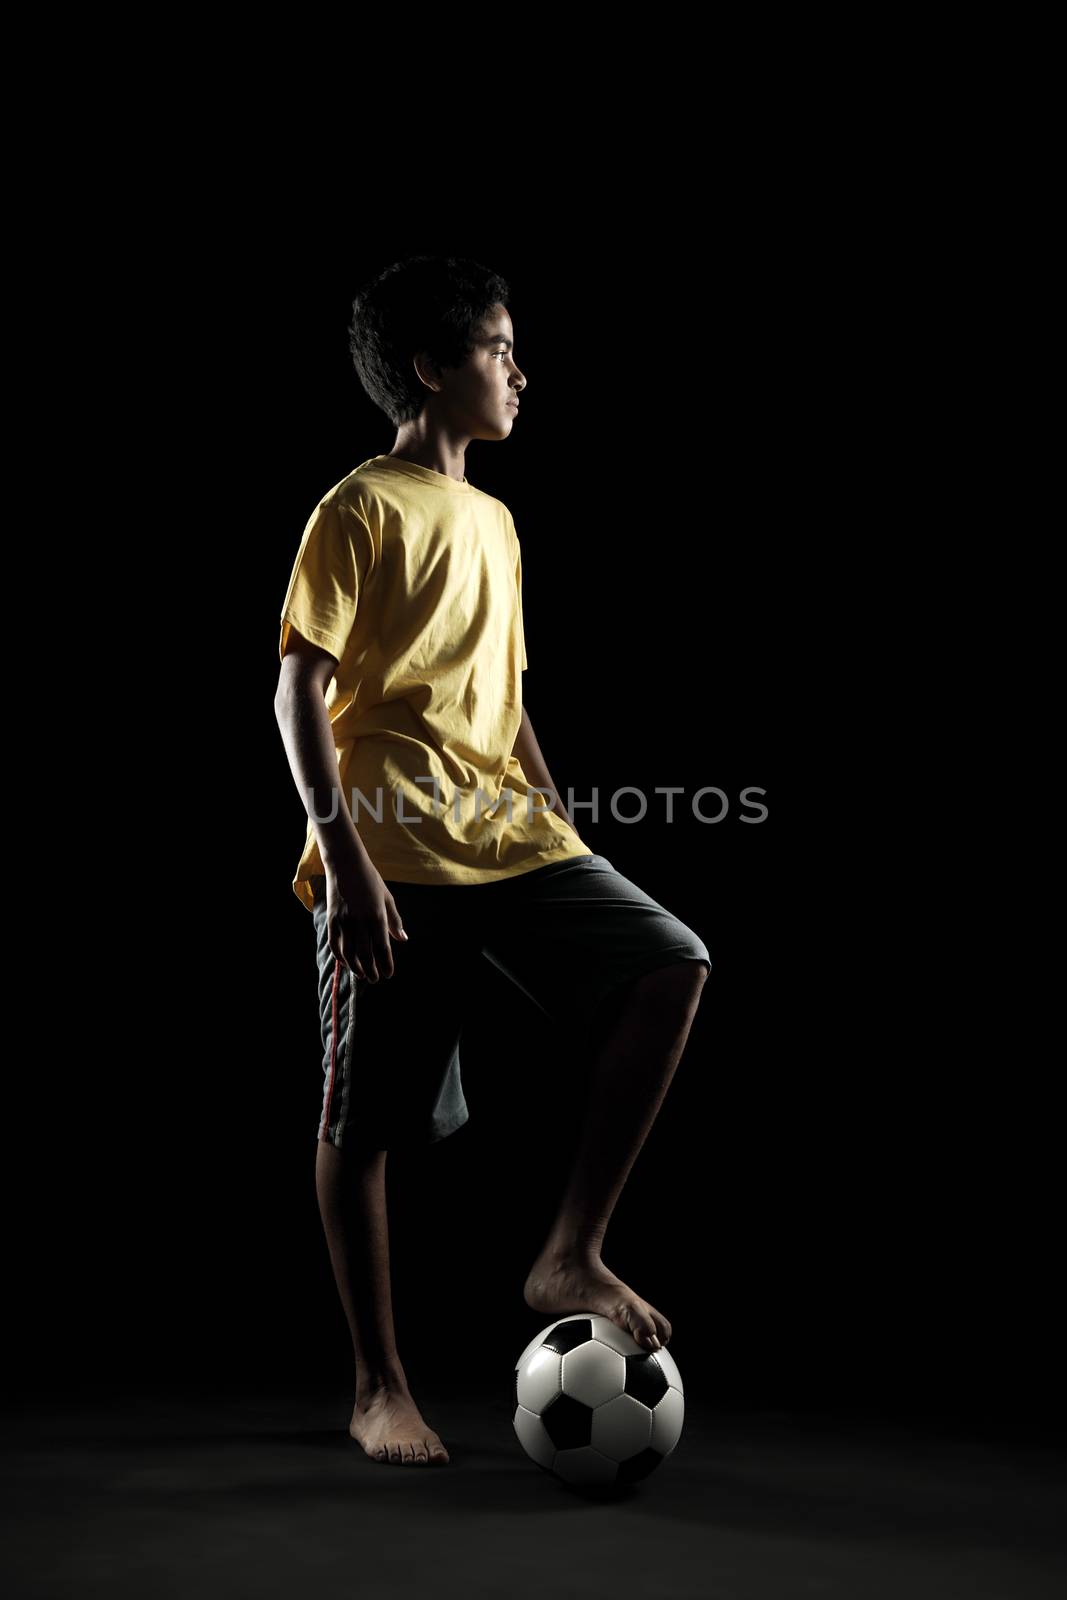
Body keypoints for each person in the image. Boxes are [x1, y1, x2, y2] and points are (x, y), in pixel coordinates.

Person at [274, 255, 711, 1467]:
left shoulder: (499, 522)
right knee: (363, 1123)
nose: (519, 370)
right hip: (391, 850)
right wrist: (341, 851)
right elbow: (296, 688)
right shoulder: (358, 507)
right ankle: (377, 1385)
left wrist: (559, 827)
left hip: (503, 837)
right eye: (499, 348)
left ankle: (569, 1247)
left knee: (669, 960)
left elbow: (504, 703)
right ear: (431, 367)